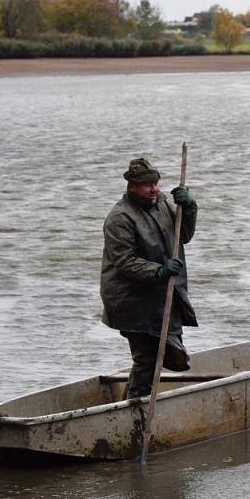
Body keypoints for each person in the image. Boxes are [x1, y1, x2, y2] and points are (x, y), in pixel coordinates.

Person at [100, 157, 199, 399]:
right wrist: (158, 271)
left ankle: (130, 406)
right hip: (131, 301)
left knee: (159, 358)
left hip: (162, 296)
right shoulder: (119, 218)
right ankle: (134, 413)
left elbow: (182, 236)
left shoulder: (163, 203)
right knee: (146, 359)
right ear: (132, 186)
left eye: (155, 183)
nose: (154, 188)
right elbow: (124, 262)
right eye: (147, 185)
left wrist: (189, 209)